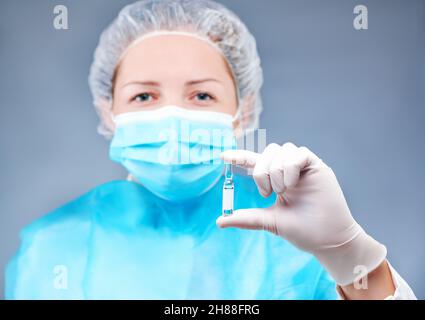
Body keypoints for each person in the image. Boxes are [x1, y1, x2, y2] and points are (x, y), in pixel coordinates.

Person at [5, 0, 416, 299]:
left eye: (201, 96)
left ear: (243, 112)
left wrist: (347, 252)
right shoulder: (52, 248)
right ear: (108, 112)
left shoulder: (296, 241)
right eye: (144, 97)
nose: (173, 115)